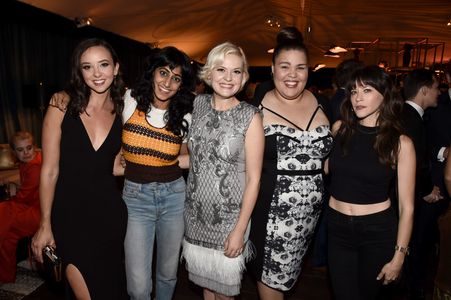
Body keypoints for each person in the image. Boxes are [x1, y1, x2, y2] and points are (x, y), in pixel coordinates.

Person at [31, 38, 128, 299]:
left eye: (104, 65)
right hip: (70, 218)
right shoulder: (61, 106)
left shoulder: (124, 111)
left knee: (112, 290)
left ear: (116, 68)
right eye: (88, 67)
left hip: (110, 217)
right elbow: (49, 171)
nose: (97, 74)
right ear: (79, 71)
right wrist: (45, 223)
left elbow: (120, 164)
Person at [247, 27, 333, 300]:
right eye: (285, 67)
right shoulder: (257, 108)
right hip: (269, 212)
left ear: (310, 70)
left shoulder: (323, 104)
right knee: (270, 285)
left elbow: (333, 158)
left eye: (301, 67)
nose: (293, 75)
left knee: (288, 283)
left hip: (308, 219)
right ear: (272, 69)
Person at [182, 42, 264, 299]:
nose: (228, 78)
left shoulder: (250, 116)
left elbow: (254, 179)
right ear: (209, 73)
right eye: (221, 70)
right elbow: (195, 159)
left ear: (244, 77)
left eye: (236, 72)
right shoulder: (198, 105)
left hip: (229, 219)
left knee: (225, 293)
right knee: (206, 287)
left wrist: (239, 230)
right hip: (194, 215)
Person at [327, 65, 415, 300]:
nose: (358, 98)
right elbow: (327, 171)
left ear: (384, 94)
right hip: (336, 228)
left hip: (376, 232)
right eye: (354, 91)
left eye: (366, 90)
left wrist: (399, 256)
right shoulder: (339, 130)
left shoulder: (400, 143)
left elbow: (407, 207)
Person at [121, 46, 194, 300]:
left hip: (174, 196)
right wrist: (63, 95)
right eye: (163, 73)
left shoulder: (184, 113)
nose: (168, 83)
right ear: (152, 72)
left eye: (176, 78)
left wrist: (168, 163)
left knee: (167, 274)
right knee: (138, 286)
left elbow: (187, 158)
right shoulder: (129, 99)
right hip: (135, 198)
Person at [401, 68, 441, 299]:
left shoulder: (407, 114)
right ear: (424, 90)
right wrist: (427, 190)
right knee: (415, 244)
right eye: (436, 88)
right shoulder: (411, 120)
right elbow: (416, 164)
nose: (438, 92)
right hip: (410, 196)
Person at [0, 131, 41, 283]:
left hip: (41, 213)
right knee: (8, 236)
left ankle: (5, 276)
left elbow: (24, 197)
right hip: (31, 207)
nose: (25, 153)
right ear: (13, 152)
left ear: (34, 147)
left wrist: (14, 195)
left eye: (29, 148)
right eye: (20, 150)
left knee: (4, 211)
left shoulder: (35, 166)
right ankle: (6, 276)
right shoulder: (27, 164)